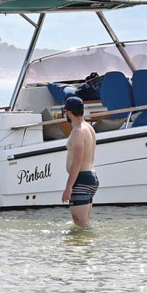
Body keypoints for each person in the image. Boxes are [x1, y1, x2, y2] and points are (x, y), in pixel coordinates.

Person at [60, 96, 98, 228]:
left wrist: (68, 187)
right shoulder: (89, 128)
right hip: (90, 177)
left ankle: (90, 241)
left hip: (81, 179)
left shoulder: (78, 131)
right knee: (82, 223)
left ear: (69, 112)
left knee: (80, 223)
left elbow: (77, 161)